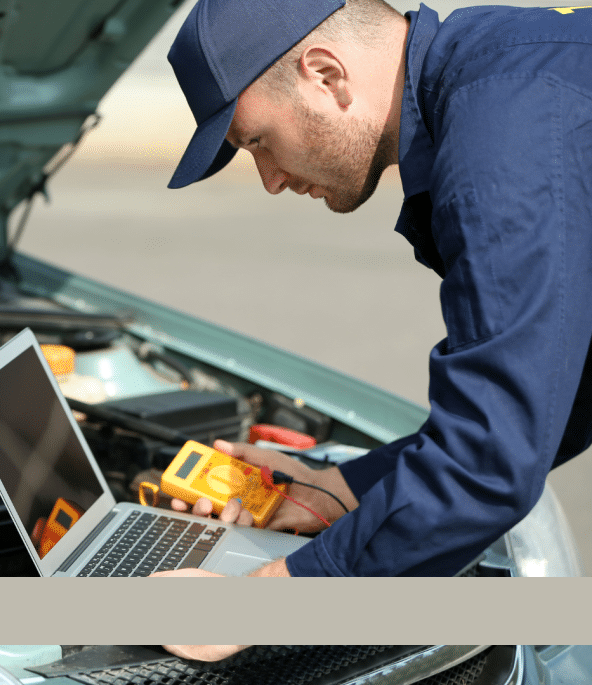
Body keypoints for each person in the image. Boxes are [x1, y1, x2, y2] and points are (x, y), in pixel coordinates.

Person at [152, 0, 592, 590]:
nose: (271, 180)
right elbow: (561, 391)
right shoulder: (503, 71)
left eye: (258, 142)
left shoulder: (504, 147)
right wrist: (337, 489)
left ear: (326, 75)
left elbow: (489, 465)